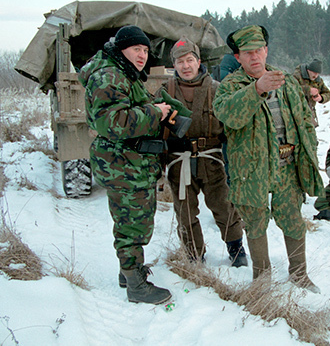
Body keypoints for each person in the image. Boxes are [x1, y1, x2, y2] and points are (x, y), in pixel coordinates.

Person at [213, 25, 324, 293]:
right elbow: (228, 116)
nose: (254, 57)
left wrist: (308, 152)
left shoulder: (285, 80)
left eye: (259, 50)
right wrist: (256, 90)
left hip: (287, 166)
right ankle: (261, 280)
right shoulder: (230, 86)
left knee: (293, 218)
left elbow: (304, 121)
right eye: (247, 52)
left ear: (266, 50)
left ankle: (299, 274)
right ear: (237, 57)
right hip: (252, 170)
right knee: (254, 222)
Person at [78, 25, 179, 305]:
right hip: (123, 165)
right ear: (121, 48)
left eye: (146, 50)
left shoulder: (121, 72)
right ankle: (136, 286)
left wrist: (157, 106)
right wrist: (154, 112)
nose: (142, 55)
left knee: (134, 221)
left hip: (129, 163)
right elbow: (112, 122)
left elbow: (126, 108)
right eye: (137, 49)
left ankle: (129, 272)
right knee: (132, 225)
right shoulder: (108, 75)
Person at [155, 37, 247, 267]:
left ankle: (236, 249)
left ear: (199, 61)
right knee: (185, 213)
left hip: (212, 159)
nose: (185, 66)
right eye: (180, 62)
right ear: (173, 65)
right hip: (179, 161)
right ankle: (194, 255)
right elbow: (155, 129)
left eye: (189, 60)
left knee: (224, 207)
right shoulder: (165, 92)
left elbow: (232, 128)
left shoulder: (217, 89)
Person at [293, 58, 330, 127]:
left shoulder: (318, 81)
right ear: (308, 70)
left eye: (318, 74)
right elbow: (291, 89)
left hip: (310, 113)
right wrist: (308, 90)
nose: (316, 76)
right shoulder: (297, 77)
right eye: (314, 73)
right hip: (295, 112)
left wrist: (321, 98)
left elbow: (328, 93)